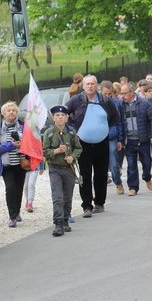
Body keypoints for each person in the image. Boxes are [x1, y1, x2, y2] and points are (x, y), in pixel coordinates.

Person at [66, 75, 120, 217]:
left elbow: (115, 116)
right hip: (82, 143)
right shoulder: (76, 100)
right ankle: (87, 206)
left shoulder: (105, 100)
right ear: (83, 86)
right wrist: (73, 126)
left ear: (97, 85)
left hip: (102, 142)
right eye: (87, 84)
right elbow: (65, 113)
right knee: (85, 174)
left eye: (92, 84)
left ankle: (99, 203)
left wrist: (104, 127)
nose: (90, 86)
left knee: (101, 174)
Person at [43, 105, 82, 236]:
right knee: (57, 197)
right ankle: (58, 223)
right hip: (55, 169)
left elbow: (78, 148)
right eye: (57, 115)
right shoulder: (48, 133)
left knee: (67, 196)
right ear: (53, 118)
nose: (60, 117)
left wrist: (72, 157)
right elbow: (45, 152)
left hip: (68, 169)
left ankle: (65, 219)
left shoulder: (71, 132)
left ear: (67, 118)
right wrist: (57, 151)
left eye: (62, 115)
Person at [120, 83, 152, 195]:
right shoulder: (121, 106)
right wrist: (121, 139)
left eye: (124, 93)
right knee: (131, 164)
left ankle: (147, 178)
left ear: (132, 92)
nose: (122, 96)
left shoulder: (144, 103)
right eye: (121, 93)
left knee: (146, 162)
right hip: (129, 140)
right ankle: (133, 187)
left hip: (143, 139)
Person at [0, 101, 26, 228]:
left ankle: (17, 212)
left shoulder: (23, 126)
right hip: (7, 166)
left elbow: (31, 143)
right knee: (10, 189)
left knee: (19, 189)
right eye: (8, 110)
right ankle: (12, 216)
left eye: (13, 110)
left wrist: (23, 144)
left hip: (21, 164)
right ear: (3, 113)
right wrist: (11, 145)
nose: (11, 112)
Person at [100, 80, 125, 194]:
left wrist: (120, 139)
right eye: (105, 94)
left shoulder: (116, 103)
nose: (107, 96)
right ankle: (99, 188)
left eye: (109, 94)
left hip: (112, 136)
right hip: (98, 137)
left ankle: (118, 182)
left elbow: (119, 122)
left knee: (114, 163)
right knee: (99, 165)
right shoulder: (95, 102)